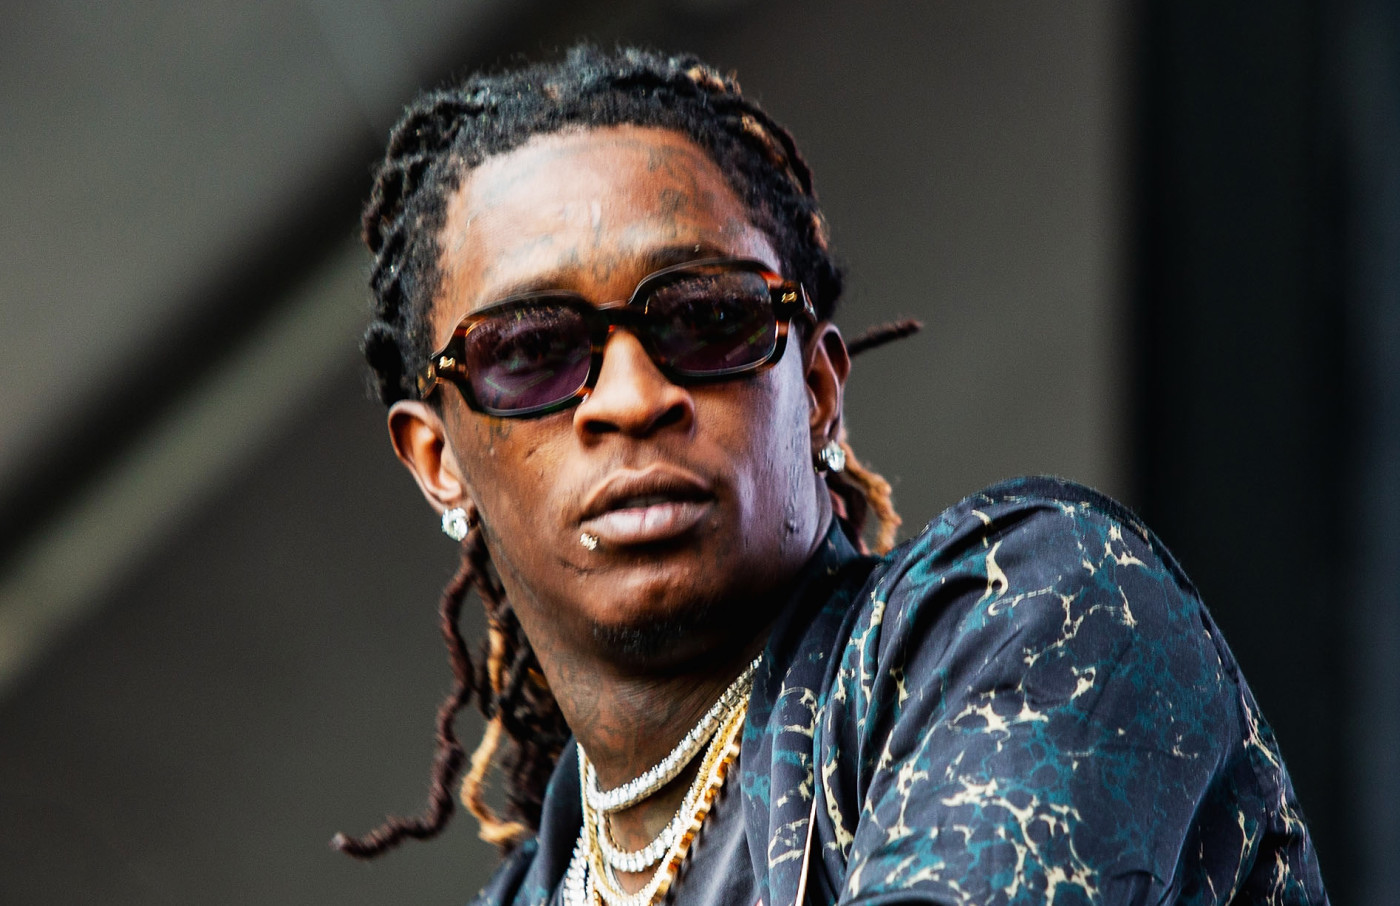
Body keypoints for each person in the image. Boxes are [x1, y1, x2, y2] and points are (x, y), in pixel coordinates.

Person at [331, 45, 1329, 905]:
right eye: (532, 350)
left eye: (707, 319)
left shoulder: (1035, 614)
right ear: (438, 460)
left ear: (814, 390)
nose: (630, 398)